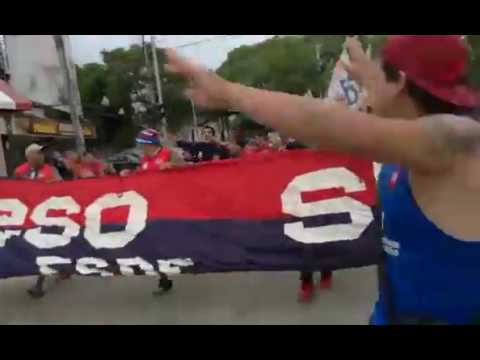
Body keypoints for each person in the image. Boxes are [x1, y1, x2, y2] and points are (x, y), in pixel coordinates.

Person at [165, 35, 480, 324]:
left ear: (399, 83)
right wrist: (375, 77)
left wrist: (228, 92)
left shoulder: (458, 142)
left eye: (380, 78)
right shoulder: (414, 141)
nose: (368, 94)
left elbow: (326, 122)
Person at [122, 128, 174, 294]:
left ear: (150, 143)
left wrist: (173, 166)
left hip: (169, 206)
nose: (141, 147)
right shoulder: (144, 159)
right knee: (151, 243)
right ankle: (163, 277)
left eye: (142, 144)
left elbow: (188, 169)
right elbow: (141, 175)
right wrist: (129, 173)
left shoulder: (168, 153)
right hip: (150, 207)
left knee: (170, 241)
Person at [14, 143, 64, 299]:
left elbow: (64, 190)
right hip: (30, 217)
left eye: (42, 153)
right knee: (40, 247)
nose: (41, 156)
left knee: (46, 247)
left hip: (49, 215)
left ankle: (40, 284)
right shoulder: (20, 172)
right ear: (29, 156)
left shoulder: (51, 171)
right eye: (38, 153)